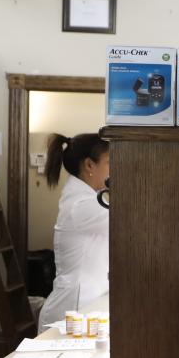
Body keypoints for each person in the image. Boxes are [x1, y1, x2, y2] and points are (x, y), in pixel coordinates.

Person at [38, 133, 110, 330]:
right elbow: (131, 221)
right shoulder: (82, 205)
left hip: (84, 303)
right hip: (74, 308)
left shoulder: (86, 199)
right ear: (89, 165)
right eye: (110, 162)